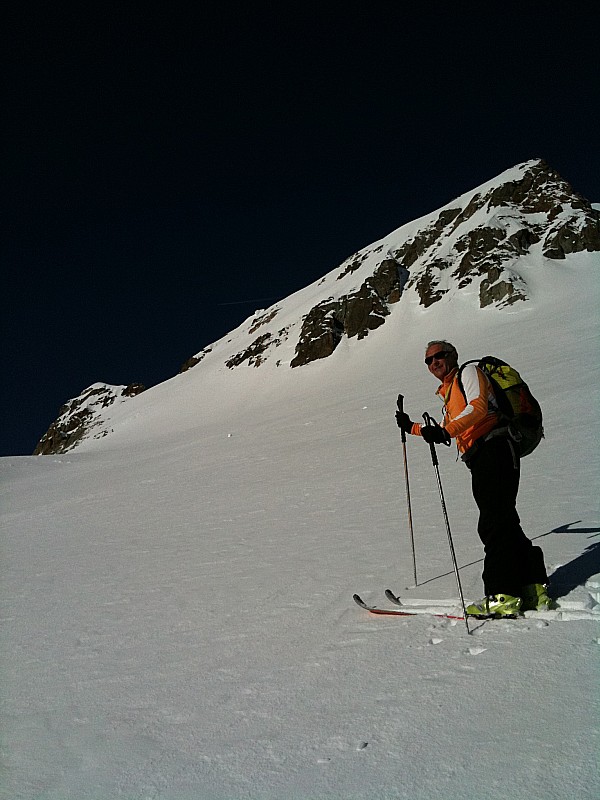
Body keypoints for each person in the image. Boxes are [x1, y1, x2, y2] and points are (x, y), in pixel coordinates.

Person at [395, 339, 553, 617]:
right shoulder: (450, 393)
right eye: (428, 360)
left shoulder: (468, 373)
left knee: (493, 522)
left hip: (495, 447)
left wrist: (446, 432)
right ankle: (532, 588)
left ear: (452, 355)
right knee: (504, 520)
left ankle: (502, 594)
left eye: (439, 356)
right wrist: (412, 427)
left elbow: (478, 408)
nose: (434, 363)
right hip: (482, 456)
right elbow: (446, 426)